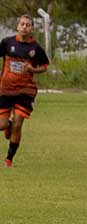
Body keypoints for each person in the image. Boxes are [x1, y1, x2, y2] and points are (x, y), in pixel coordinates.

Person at [0, 15, 50, 167]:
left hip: (25, 91)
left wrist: (32, 69)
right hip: (6, 89)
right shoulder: (7, 43)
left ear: (32, 29)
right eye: (22, 24)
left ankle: (9, 159)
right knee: (2, 125)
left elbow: (45, 66)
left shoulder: (35, 48)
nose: (24, 27)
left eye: (28, 25)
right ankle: (7, 126)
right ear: (17, 26)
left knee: (18, 124)